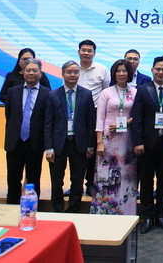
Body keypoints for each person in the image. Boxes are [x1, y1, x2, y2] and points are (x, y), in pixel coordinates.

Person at [131, 56, 163, 233]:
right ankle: (147, 217)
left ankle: (161, 215)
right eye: (158, 69)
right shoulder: (143, 89)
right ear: (152, 70)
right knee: (146, 182)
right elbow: (137, 117)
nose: (161, 72)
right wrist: (138, 142)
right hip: (146, 144)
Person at [45, 60, 96, 213]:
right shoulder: (53, 95)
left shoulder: (86, 94)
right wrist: (49, 148)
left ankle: (74, 210)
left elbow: (91, 122)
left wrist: (90, 145)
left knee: (77, 181)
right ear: (62, 74)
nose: (72, 75)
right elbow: (48, 124)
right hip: (58, 144)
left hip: (79, 144)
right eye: (69, 72)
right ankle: (58, 211)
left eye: (75, 72)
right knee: (56, 181)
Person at [91, 59, 137, 215]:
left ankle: (127, 212)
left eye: (124, 71)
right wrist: (99, 142)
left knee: (126, 176)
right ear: (114, 73)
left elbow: (138, 116)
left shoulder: (135, 92)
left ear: (129, 73)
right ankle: (105, 211)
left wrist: (125, 123)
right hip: (108, 140)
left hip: (127, 140)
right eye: (118, 71)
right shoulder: (106, 92)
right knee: (106, 176)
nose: (121, 74)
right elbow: (100, 118)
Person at [4, 58, 51, 204]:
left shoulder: (48, 94)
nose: (31, 73)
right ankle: (12, 209)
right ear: (23, 72)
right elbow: (9, 115)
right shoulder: (12, 92)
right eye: (28, 70)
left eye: (35, 70)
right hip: (15, 142)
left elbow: (48, 120)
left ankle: (33, 210)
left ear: (40, 73)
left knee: (33, 180)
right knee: (13, 180)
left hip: (35, 143)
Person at [77, 39, 110, 194]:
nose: (86, 53)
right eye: (83, 50)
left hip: (95, 112)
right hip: (76, 113)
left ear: (94, 53)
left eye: (89, 51)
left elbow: (105, 91)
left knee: (93, 148)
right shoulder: (73, 68)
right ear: (79, 52)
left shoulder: (102, 69)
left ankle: (90, 183)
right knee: (77, 149)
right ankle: (75, 185)